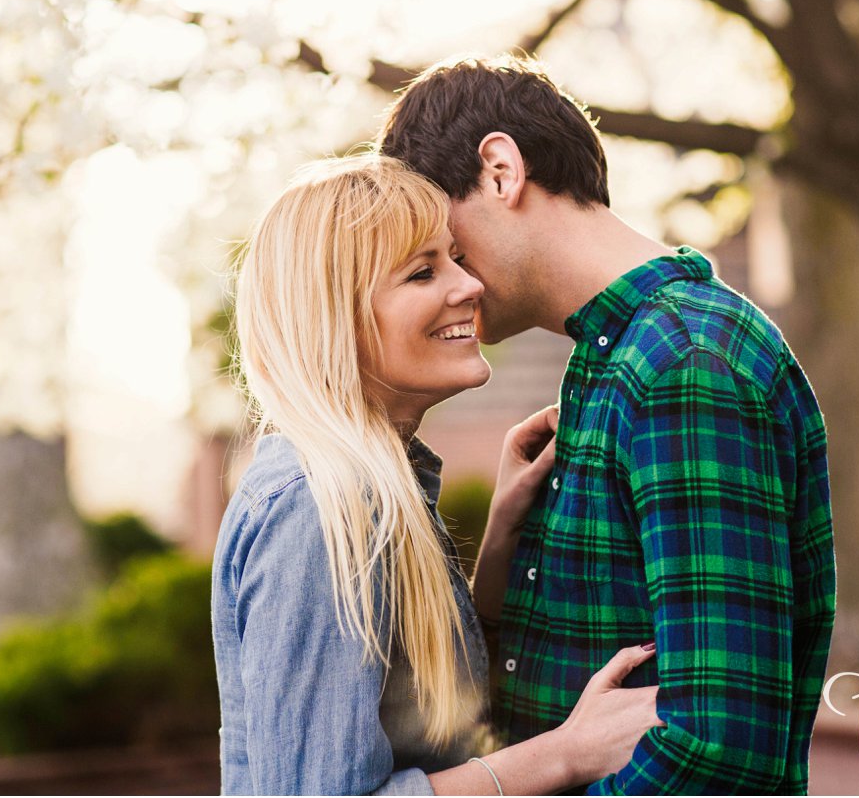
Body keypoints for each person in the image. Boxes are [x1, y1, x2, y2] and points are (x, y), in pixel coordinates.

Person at [377, 55, 837, 794]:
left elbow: (714, 747)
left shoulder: (684, 362)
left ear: (500, 171)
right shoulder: (614, 359)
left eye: (446, 246)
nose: (454, 286)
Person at [216, 155, 664, 795]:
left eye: (456, 256)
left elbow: (419, 702)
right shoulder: (316, 506)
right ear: (337, 315)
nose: (469, 285)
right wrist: (565, 753)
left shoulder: (374, 486)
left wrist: (506, 528)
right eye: (424, 272)